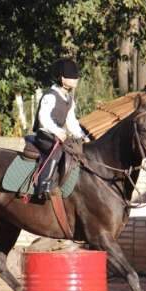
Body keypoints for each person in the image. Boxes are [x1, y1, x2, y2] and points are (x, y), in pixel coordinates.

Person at [32, 57, 89, 198]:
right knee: (56, 150)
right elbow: (43, 118)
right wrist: (58, 131)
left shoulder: (69, 99)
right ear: (62, 79)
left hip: (59, 134)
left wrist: (82, 137)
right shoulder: (50, 96)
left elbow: (71, 121)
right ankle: (43, 185)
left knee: (74, 149)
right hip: (45, 134)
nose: (76, 79)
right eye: (72, 76)